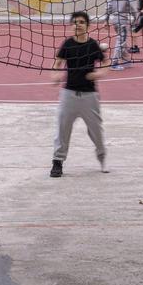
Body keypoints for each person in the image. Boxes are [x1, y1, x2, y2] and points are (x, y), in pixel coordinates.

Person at [48, 11, 108, 178]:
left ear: (87, 26)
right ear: (71, 25)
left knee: (95, 130)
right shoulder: (67, 44)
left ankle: (102, 157)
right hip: (69, 94)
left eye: (81, 22)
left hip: (90, 95)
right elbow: (57, 62)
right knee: (62, 128)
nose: (78, 24)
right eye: (75, 22)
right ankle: (57, 162)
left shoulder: (93, 45)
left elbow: (106, 63)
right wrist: (55, 74)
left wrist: (99, 74)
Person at [104, 0, 137, 70]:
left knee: (122, 40)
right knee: (121, 41)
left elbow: (108, 7)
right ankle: (114, 63)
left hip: (114, 20)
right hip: (122, 20)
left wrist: (106, 20)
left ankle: (126, 60)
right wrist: (136, 19)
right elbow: (134, 9)